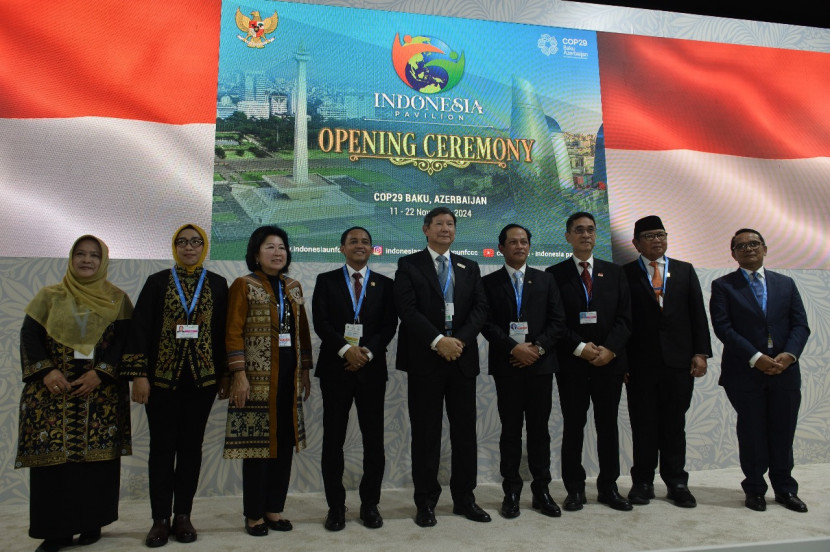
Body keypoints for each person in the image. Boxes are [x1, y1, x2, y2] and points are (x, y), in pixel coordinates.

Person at [16, 235, 133, 552]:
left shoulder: (117, 299)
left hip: (101, 395)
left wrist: (102, 373)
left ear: (103, 261)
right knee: (55, 466)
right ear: (71, 258)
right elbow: (30, 336)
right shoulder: (49, 296)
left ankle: (91, 523)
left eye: (94, 255)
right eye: (80, 254)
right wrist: (47, 371)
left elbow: (125, 343)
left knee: (96, 465)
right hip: (53, 392)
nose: (87, 260)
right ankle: (55, 532)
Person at [122, 224, 228, 547]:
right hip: (161, 382)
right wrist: (138, 375)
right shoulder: (157, 283)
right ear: (174, 246)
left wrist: (225, 376)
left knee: (191, 449)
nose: (189, 247)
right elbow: (139, 330)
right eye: (182, 242)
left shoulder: (218, 284)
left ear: (204, 246)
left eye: (196, 242)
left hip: (202, 382)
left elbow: (223, 334)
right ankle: (159, 520)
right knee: (162, 449)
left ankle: (183, 515)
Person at [395, 206, 490, 527]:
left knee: (465, 435)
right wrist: (439, 342)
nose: (446, 229)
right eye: (439, 224)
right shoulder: (409, 264)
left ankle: (465, 499)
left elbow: (480, 309)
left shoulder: (469, 266)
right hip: (426, 361)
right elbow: (407, 311)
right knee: (426, 435)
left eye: (450, 224)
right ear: (426, 229)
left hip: (461, 361)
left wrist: (457, 342)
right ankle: (426, 502)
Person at [709, 229, 810, 513]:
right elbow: (723, 328)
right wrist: (756, 357)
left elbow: (800, 325)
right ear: (733, 254)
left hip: (785, 371)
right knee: (752, 432)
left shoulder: (786, 284)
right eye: (741, 246)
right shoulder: (723, 286)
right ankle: (754, 489)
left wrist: (788, 356)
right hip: (744, 372)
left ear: (765, 248)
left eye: (754, 244)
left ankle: (785, 489)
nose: (748, 248)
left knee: (783, 431)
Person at [223, 226, 313, 535]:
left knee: (285, 443)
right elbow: (233, 331)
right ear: (256, 253)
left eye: (282, 247)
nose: (277, 252)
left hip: (288, 378)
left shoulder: (294, 287)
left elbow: (301, 331)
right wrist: (238, 375)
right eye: (270, 247)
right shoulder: (244, 285)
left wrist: (304, 371)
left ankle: (274, 509)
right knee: (257, 446)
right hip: (256, 380)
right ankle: (253, 515)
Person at [623, 215, 711, 508]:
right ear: (636, 243)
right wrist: (622, 362)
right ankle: (643, 482)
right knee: (643, 424)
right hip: (640, 364)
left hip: (678, 362)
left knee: (674, 424)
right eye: (649, 236)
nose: (657, 240)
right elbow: (621, 321)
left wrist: (701, 353)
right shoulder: (624, 273)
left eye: (661, 234)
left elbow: (698, 314)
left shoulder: (684, 271)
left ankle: (677, 482)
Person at [312, 227, 397, 531]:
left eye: (365, 242)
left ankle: (370, 504)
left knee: (373, 440)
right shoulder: (326, 281)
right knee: (333, 440)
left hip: (371, 371)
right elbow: (320, 322)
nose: (360, 245)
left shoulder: (386, 284)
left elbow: (389, 326)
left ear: (372, 249)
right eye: (353, 241)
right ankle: (335, 507)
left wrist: (366, 353)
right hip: (336, 370)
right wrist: (346, 350)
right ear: (341, 248)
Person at [546, 212, 632, 512]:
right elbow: (554, 321)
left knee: (608, 426)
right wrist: (580, 347)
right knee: (574, 426)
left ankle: (609, 487)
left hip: (609, 363)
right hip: (572, 364)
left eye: (591, 230)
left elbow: (625, 319)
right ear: (568, 236)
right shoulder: (554, 275)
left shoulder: (615, 272)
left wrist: (609, 349)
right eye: (579, 230)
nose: (586, 235)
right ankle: (575, 489)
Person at [481, 224, 565, 519]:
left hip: (540, 368)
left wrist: (536, 349)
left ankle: (542, 491)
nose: (519, 246)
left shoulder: (546, 280)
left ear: (530, 246)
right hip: (508, 368)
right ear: (501, 248)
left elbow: (558, 322)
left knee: (540, 432)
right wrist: (513, 349)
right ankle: (511, 492)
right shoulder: (489, 283)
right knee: (511, 432)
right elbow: (486, 324)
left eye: (524, 242)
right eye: (513, 242)